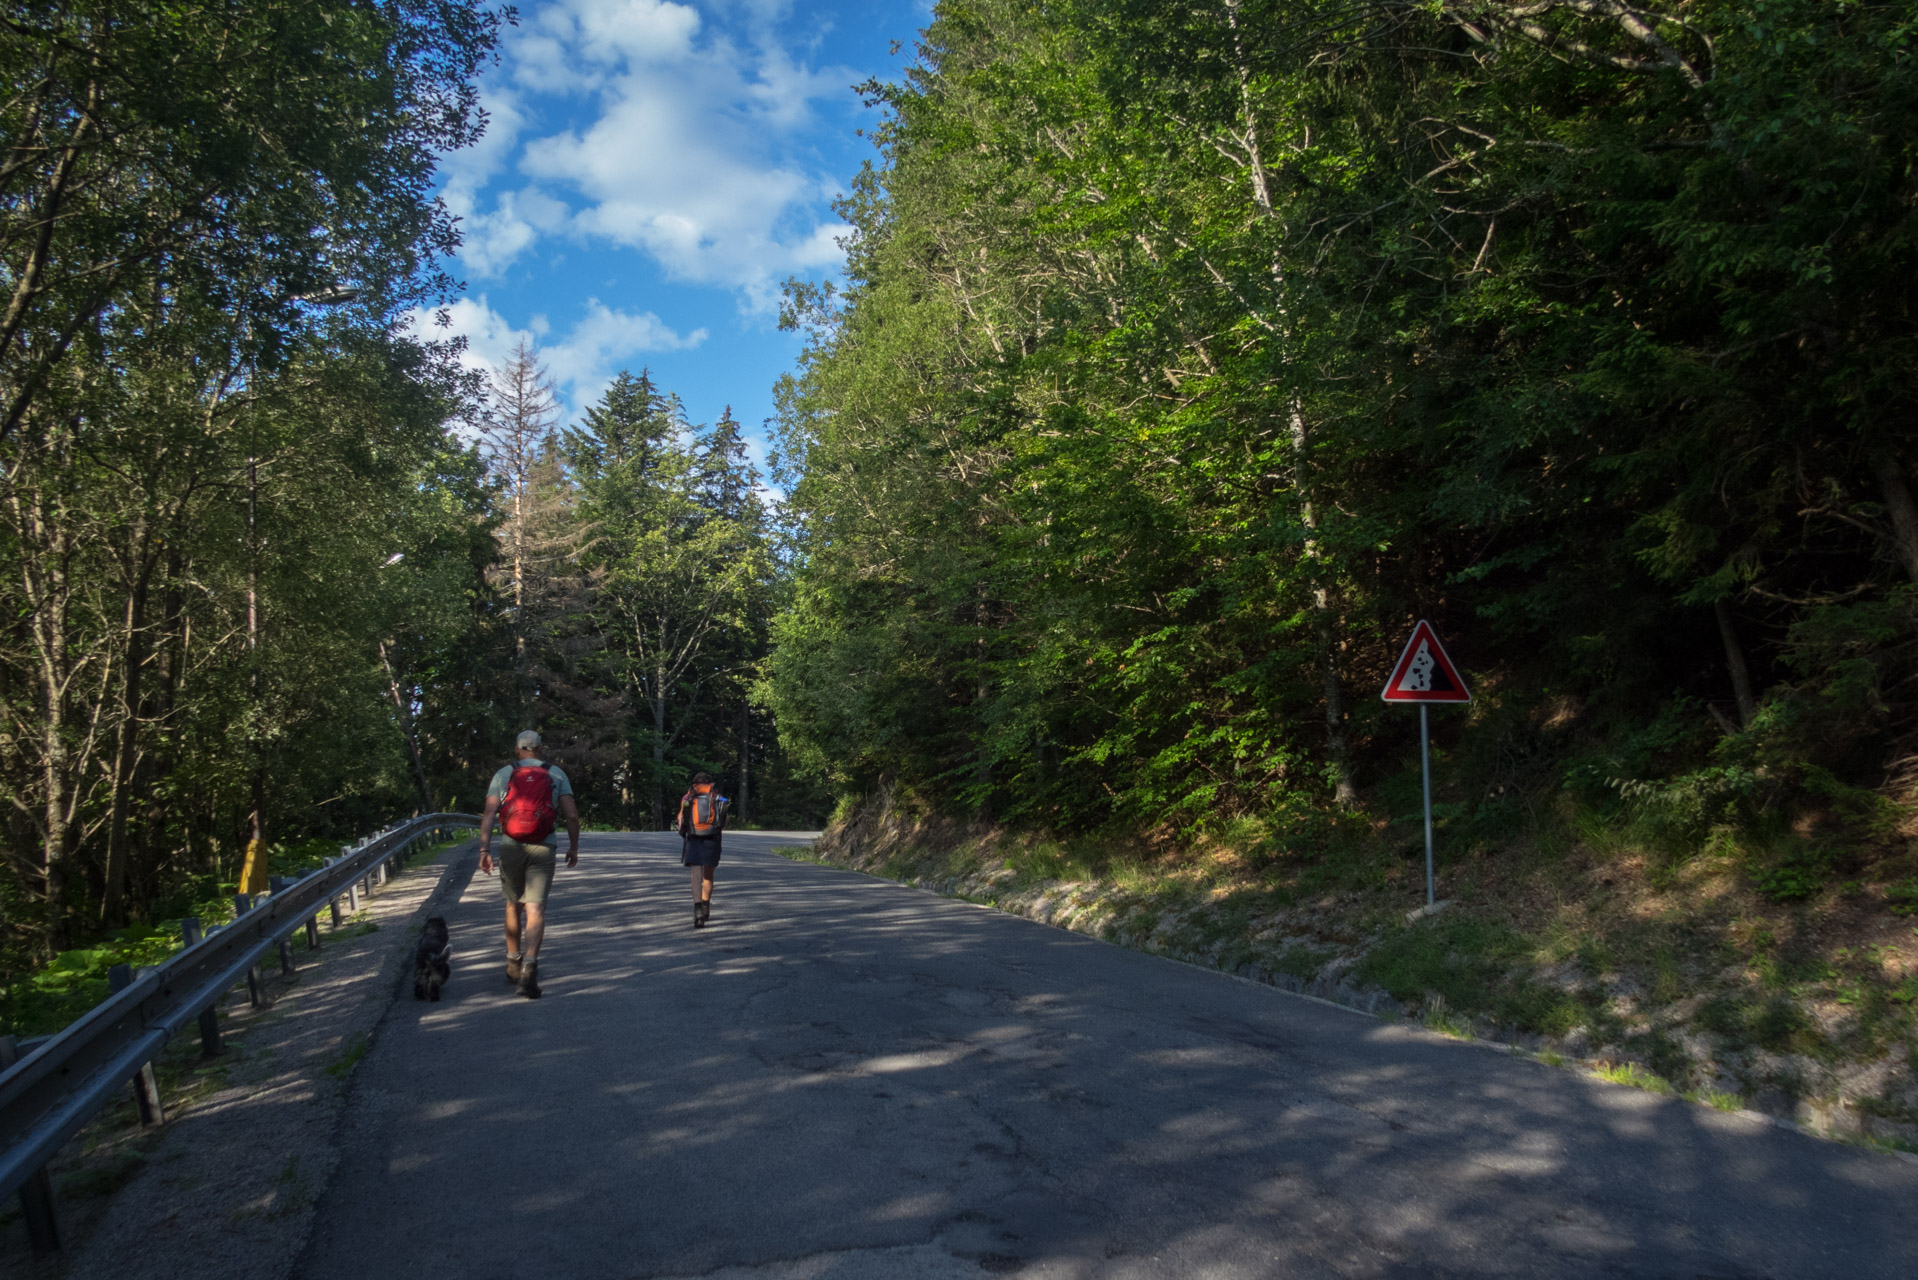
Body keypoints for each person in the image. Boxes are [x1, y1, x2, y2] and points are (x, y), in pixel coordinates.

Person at [477, 730, 579, 998]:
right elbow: (571, 816)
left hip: (511, 845)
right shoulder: (556, 774)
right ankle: (530, 967)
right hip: (543, 846)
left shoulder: (503, 774)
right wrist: (573, 847)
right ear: (540, 748)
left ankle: (513, 963)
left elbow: (489, 813)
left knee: (513, 904)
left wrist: (485, 849)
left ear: (517, 749)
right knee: (535, 907)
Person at [678, 772, 729, 928]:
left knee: (695, 875)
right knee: (708, 874)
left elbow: (681, 819)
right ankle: (706, 905)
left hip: (694, 837)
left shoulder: (688, 797)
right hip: (712, 838)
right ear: (709, 783)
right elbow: (724, 817)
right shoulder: (717, 797)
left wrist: (683, 831)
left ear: (694, 783)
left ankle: (698, 910)